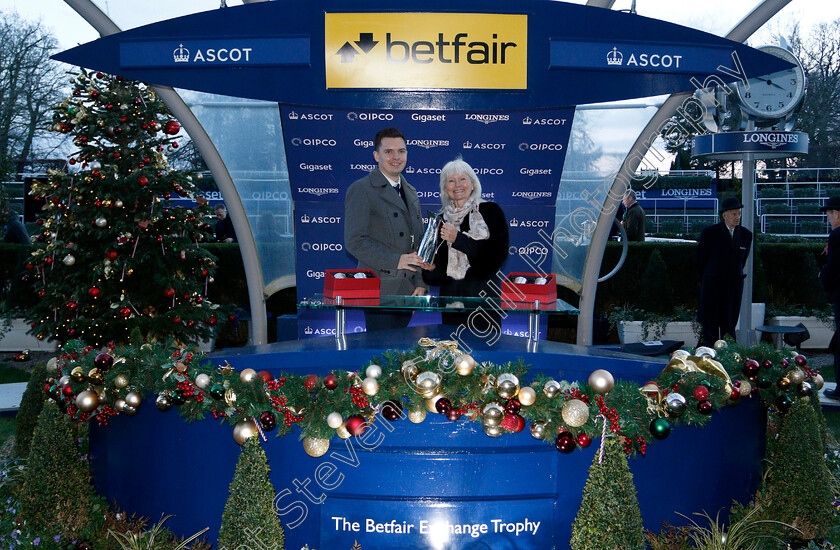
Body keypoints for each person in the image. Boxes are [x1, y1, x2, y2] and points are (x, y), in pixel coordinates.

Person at [344, 127, 428, 332]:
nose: (396, 157)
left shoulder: (411, 192)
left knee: (400, 356)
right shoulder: (362, 189)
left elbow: (418, 245)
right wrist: (396, 260)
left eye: (401, 151)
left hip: (408, 291)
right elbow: (355, 241)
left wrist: (421, 283)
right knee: (382, 357)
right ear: (376, 155)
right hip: (379, 291)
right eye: (389, 151)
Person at [422, 158, 509, 333]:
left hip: (483, 301)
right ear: (445, 188)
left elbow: (494, 258)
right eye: (451, 181)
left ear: (473, 184)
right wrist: (430, 269)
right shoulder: (440, 219)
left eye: (462, 179)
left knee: (486, 357)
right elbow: (438, 274)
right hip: (451, 303)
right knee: (451, 353)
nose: (457, 185)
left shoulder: (490, 212)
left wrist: (458, 239)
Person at [696, 196, 753, 347]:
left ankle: (729, 356)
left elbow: (742, 260)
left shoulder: (746, 235)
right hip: (712, 287)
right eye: (734, 214)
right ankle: (707, 354)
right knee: (710, 324)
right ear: (724, 215)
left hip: (733, 287)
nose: (737, 217)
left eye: (739, 214)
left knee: (730, 323)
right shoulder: (710, 233)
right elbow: (700, 260)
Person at [819, 196, 840, 398]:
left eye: (829, 215)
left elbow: (834, 267)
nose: (829, 219)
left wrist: (823, 278)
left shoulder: (836, 236)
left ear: (837, 214)